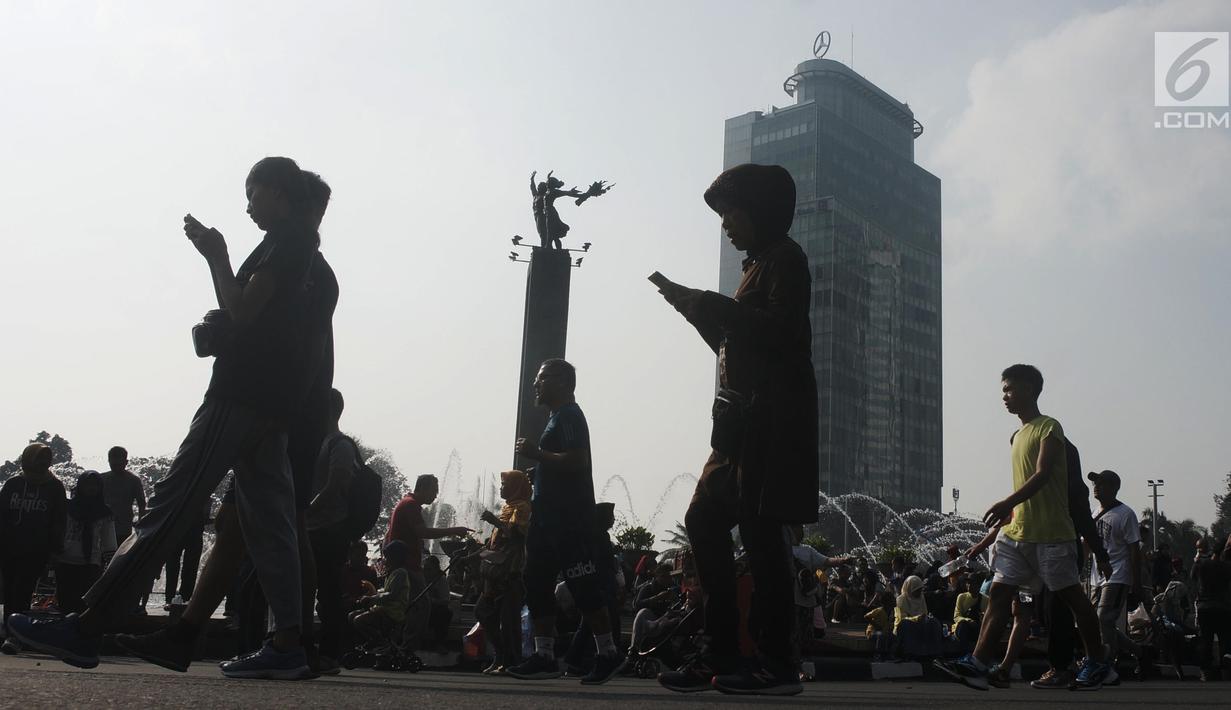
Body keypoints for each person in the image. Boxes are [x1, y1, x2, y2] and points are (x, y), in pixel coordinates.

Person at [9, 158, 322, 679]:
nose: (248, 205)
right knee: (272, 526)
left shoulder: (285, 245)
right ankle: (289, 641)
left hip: (238, 399)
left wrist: (216, 256)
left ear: (278, 193)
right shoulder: (305, 252)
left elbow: (243, 314)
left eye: (254, 193)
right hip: (271, 408)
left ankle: (87, 625)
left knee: (171, 506)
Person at [655, 164, 817, 696]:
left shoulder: (787, 261)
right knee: (703, 521)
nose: (725, 224)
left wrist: (713, 305)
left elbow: (781, 334)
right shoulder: (756, 268)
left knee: (762, 536)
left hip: (768, 423)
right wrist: (697, 312)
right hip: (734, 427)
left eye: (732, 211)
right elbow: (739, 347)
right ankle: (721, 652)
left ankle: (777, 663)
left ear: (762, 211)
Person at [936, 364, 1112, 690]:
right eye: (1003, 390)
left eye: (1010, 389)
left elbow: (1043, 474)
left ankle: (1098, 662)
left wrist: (1006, 502)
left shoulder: (1050, 428)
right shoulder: (1016, 435)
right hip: (1019, 534)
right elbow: (1026, 486)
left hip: (1052, 535)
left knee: (1073, 600)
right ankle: (979, 662)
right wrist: (1006, 517)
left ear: (1030, 389)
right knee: (1001, 593)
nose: (1004, 396)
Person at [505, 359, 623, 685]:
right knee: (537, 582)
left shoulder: (570, 415)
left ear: (561, 382)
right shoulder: (556, 418)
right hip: (546, 520)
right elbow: (562, 464)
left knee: (582, 584)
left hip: (570, 520)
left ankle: (608, 653)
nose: (535, 385)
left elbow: (578, 460)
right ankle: (544, 656)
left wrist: (538, 455)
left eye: (541, 379)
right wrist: (541, 471)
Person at [306, 388, 359, 666]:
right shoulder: (320, 441)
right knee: (310, 589)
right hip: (314, 527)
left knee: (327, 591)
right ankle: (305, 647)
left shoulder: (340, 444)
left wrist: (308, 509)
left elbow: (336, 482)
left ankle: (328, 652)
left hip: (329, 528)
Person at [0, 444, 67, 636]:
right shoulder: (13, 484)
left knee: (24, 589)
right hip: (9, 547)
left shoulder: (54, 487)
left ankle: (17, 632)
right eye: (39, 458)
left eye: (46, 458)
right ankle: (10, 628)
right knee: (10, 589)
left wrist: (55, 549)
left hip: (37, 549)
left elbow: (59, 519)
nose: (43, 462)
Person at [475, 470, 532, 674]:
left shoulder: (523, 507)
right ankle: (501, 654)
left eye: (505, 484)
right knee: (482, 611)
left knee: (509, 621)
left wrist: (495, 522)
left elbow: (517, 535)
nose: (501, 488)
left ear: (516, 486)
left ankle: (512, 662)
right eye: (500, 484)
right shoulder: (508, 507)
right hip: (495, 573)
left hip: (510, 572)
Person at [1087, 470, 1144, 666]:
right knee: (1097, 622)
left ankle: (1106, 663)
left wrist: (1136, 581)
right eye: (1095, 483)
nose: (1095, 487)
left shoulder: (1125, 514)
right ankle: (1139, 652)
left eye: (1101, 483)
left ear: (1113, 488)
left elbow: (1134, 549)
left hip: (1118, 574)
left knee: (1104, 618)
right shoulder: (1093, 513)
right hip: (1097, 577)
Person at [55, 472, 117, 615]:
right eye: (87, 485)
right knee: (65, 602)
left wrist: (111, 565)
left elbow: (109, 541)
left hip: (90, 564)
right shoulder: (68, 508)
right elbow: (58, 531)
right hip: (65, 560)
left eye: (95, 485)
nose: (91, 488)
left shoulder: (104, 512)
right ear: (80, 486)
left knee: (85, 605)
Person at [99, 447, 149, 615]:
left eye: (119, 462)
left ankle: (119, 598)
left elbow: (142, 504)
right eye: (112, 462)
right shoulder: (101, 479)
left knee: (120, 565)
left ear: (126, 462)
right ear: (108, 461)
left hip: (123, 530)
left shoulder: (133, 480)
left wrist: (142, 525)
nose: (115, 465)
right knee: (100, 565)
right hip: (101, 531)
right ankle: (99, 597)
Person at [349, 541, 411, 647]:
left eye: (387, 557)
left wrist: (371, 599)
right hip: (384, 610)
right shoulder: (393, 573)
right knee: (351, 615)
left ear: (395, 558)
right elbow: (384, 591)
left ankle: (380, 642)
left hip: (391, 613)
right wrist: (371, 595)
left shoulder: (400, 573)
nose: (384, 560)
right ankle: (368, 641)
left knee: (358, 621)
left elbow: (391, 595)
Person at [1192, 534, 1231, 681]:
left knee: (1206, 641)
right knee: (1225, 641)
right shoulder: (1227, 567)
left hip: (1204, 607)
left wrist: (1197, 560)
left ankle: (1205, 672)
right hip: (1222, 608)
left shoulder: (1202, 565)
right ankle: (1226, 671)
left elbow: (1192, 577)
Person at [162, 499, 209, 607]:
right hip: (195, 529)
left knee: (172, 565)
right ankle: (185, 598)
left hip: (176, 528)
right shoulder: (201, 490)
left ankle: (170, 598)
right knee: (190, 566)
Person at [423, 555, 452, 650]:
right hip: (422, 608)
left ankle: (440, 643)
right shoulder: (421, 578)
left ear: (436, 569)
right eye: (425, 569)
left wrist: (431, 601)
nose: (426, 572)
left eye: (429, 569)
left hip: (435, 609)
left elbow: (445, 600)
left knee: (444, 613)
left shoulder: (441, 580)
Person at [342, 540, 379, 608]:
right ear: (350, 555)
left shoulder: (371, 572)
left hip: (364, 604)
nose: (361, 558)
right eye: (358, 555)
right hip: (345, 603)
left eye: (363, 555)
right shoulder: (342, 571)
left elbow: (374, 592)